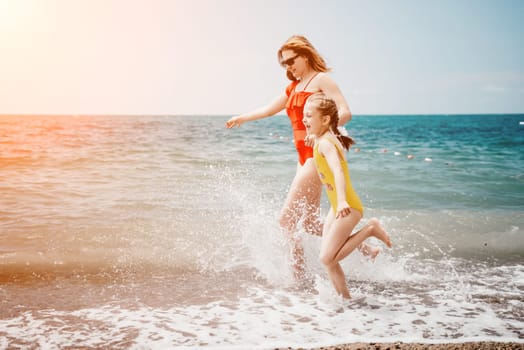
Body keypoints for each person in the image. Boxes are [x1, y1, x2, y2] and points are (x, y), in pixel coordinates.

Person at [226, 35, 379, 279]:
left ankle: (298, 276)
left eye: (291, 61)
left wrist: (323, 131)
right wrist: (242, 117)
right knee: (307, 222)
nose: (288, 67)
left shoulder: (321, 80)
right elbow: (268, 110)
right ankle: (365, 248)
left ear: (305, 56)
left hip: (318, 155)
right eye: (284, 64)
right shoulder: (293, 88)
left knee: (286, 219)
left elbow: (345, 111)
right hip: (302, 159)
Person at [302, 92, 392, 299]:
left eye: (309, 116)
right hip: (337, 207)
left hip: (347, 206)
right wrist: (314, 136)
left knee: (327, 258)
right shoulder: (323, 137)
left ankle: (371, 229)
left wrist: (342, 200)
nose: (304, 119)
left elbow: (338, 171)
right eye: (304, 115)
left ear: (324, 120)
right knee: (329, 260)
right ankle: (345, 299)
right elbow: (321, 136)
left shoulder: (325, 143)